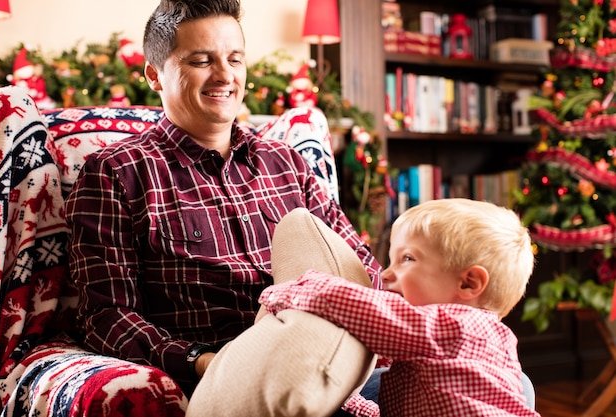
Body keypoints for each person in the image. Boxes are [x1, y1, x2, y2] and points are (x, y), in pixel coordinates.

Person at [64, 0, 381, 407]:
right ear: (154, 76)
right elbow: (106, 317)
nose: (225, 75)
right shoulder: (116, 172)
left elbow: (361, 266)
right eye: (201, 61)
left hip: (331, 364)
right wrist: (207, 362)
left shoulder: (286, 162)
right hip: (221, 378)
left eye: (235, 58)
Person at [258, 198, 540, 416]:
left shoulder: (451, 325)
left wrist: (291, 289)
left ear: (468, 283)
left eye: (406, 259)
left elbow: (359, 306)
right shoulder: (497, 341)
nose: (386, 274)